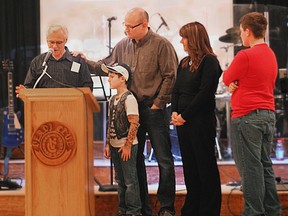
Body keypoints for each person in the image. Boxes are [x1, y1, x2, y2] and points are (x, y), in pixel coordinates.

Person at [72, 7, 178, 216]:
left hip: (154, 110)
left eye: (130, 26)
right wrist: (86, 61)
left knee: (164, 161)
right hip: (131, 110)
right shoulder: (122, 45)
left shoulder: (161, 45)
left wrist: (158, 104)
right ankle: (141, 208)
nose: (126, 30)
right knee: (133, 162)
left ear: (145, 25)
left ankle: (166, 208)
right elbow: (106, 66)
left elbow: (170, 76)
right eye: (125, 26)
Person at [223, 12, 282, 216]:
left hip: (247, 117)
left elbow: (227, 77)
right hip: (267, 115)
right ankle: (273, 211)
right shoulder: (271, 54)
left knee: (250, 170)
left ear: (248, 32)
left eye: (241, 32)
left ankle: (254, 212)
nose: (240, 36)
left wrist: (233, 83)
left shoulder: (245, 55)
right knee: (264, 166)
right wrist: (236, 83)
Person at [170, 22, 222, 216]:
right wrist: (174, 112)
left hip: (200, 122)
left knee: (205, 167)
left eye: (184, 37)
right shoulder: (184, 62)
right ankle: (192, 209)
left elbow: (205, 93)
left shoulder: (210, 61)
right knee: (190, 168)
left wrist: (184, 115)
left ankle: (208, 210)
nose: (181, 41)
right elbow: (176, 90)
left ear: (193, 39)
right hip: (182, 122)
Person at [102, 63, 141, 216]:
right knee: (120, 180)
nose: (108, 79)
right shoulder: (112, 99)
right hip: (114, 145)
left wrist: (127, 146)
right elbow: (110, 121)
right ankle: (122, 210)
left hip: (126, 145)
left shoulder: (129, 98)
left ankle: (134, 212)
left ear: (122, 78)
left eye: (112, 77)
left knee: (130, 181)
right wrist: (107, 144)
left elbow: (134, 123)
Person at [15, 24, 93, 94]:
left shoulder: (77, 61)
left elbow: (88, 87)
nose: (54, 46)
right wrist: (25, 91)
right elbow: (29, 87)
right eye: (51, 42)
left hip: (72, 107)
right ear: (46, 40)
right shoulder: (38, 62)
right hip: (44, 107)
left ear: (66, 40)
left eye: (59, 42)